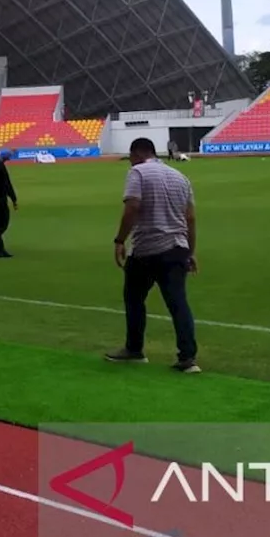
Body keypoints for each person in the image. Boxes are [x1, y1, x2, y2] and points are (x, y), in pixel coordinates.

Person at [106, 137, 201, 374]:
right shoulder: (181, 177)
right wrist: (190, 252)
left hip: (148, 249)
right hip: (177, 247)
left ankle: (134, 349)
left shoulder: (138, 172)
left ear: (137, 153)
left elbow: (133, 207)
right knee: (178, 303)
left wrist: (119, 240)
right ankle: (188, 358)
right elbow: (190, 218)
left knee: (134, 298)